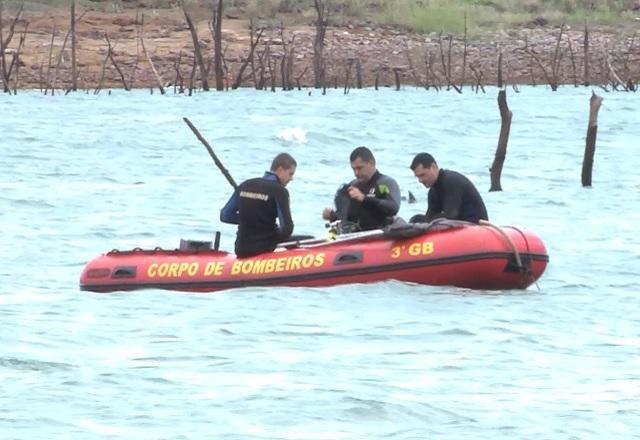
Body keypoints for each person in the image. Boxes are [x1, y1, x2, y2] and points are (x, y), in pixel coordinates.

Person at [220, 153, 296, 258]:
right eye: (290, 174)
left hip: (241, 249)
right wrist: (269, 228)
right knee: (305, 239)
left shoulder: (245, 185)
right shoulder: (280, 191)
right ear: (280, 169)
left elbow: (225, 215)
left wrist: (249, 220)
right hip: (264, 249)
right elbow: (287, 228)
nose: (291, 179)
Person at [322, 146, 401, 231]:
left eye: (359, 168)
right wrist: (331, 215)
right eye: (353, 169)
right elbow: (345, 218)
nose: (356, 173)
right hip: (354, 237)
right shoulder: (352, 186)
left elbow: (393, 208)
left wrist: (364, 198)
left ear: (371, 163)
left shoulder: (385, 183)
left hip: (378, 235)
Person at [409, 152, 488, 224]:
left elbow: (451, 215)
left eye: (422, 175)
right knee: (416, 219)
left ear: (433, 167)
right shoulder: (433, 191)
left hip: (476, 226)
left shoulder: (451, 181)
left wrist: (428, 221)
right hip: (459, 225)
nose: (420, 180)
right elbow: (430, 217)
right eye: (417, 177)